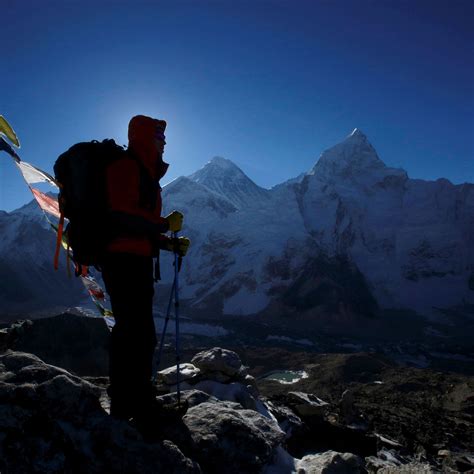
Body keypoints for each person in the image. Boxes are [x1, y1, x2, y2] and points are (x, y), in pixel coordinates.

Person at [101, 115, 189, 425]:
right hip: (122, 262)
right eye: (159, 137)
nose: (164, 143)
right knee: (134, 333)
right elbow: (122, 216)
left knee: (137, 332)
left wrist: (166, 243)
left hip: (133, 260)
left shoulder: (144, 173)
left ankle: (133, 399)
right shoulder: (126, 168)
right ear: (144, 138)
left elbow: (137, 226)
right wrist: (165, 224)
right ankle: (130, 403)